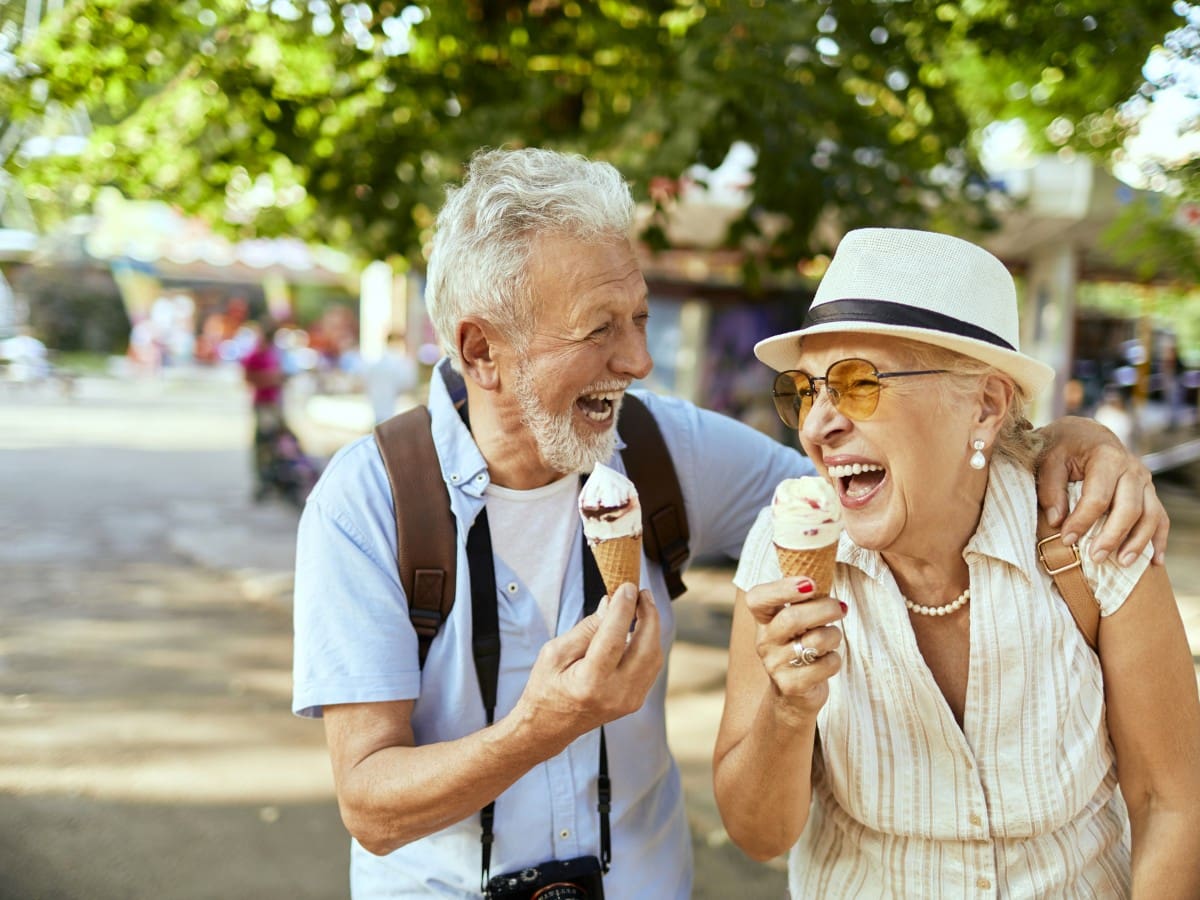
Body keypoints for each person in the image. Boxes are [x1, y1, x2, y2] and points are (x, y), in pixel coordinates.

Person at [292, 150, 1169, 899]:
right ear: (480, 349)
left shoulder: (666, 448)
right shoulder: (369, 504)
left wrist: (1070, 442)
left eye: (638, 317)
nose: (636, 361)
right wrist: (548, 722)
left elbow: (881, 481)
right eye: (600, 329)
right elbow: (370, 804)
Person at [713, 228, 1200, 897]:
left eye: (858, 383)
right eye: (806, 389)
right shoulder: (785, 545)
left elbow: (1170, 804)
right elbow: (758, 835)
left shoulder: (1093, 531)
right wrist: (788, 711)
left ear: (986, 406)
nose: (816, 425)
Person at [241, 319, 286, 501]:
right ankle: (263, 481)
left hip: (274, 404)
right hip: (263, 404)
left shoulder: (272, 354)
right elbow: (247, 379)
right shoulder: (255, 355)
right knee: (263, 445)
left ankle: (278, 479)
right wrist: (271, 379)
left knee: (278, 444)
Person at [365, 330, 419, 423]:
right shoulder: (401, 363)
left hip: (381, 412)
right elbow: (409, 383)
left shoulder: (377, 363)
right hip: (396, 413)